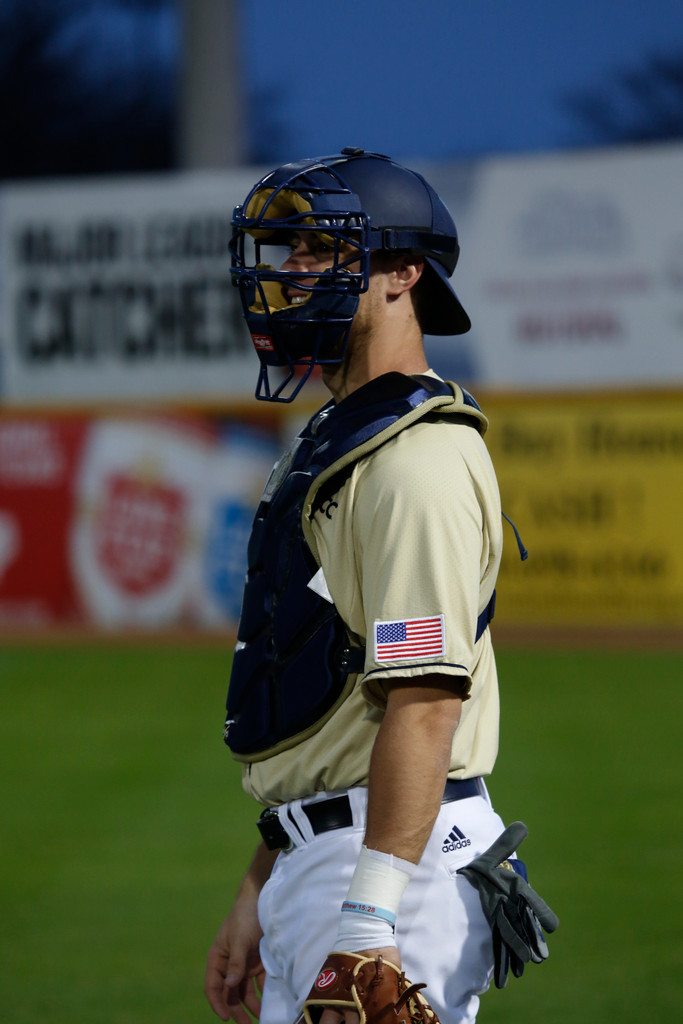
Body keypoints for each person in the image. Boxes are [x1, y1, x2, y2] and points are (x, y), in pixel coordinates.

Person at [204, 148, 524, 1024]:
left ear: (401, 273)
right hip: (338, 859)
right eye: (288, 252)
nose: (290, 275)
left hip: (389, 879)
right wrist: (265, 880)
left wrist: (369, 920)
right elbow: (329, 704)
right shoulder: (340, 437)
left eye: (319, 250)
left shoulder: (415, 461)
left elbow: (423, 703)